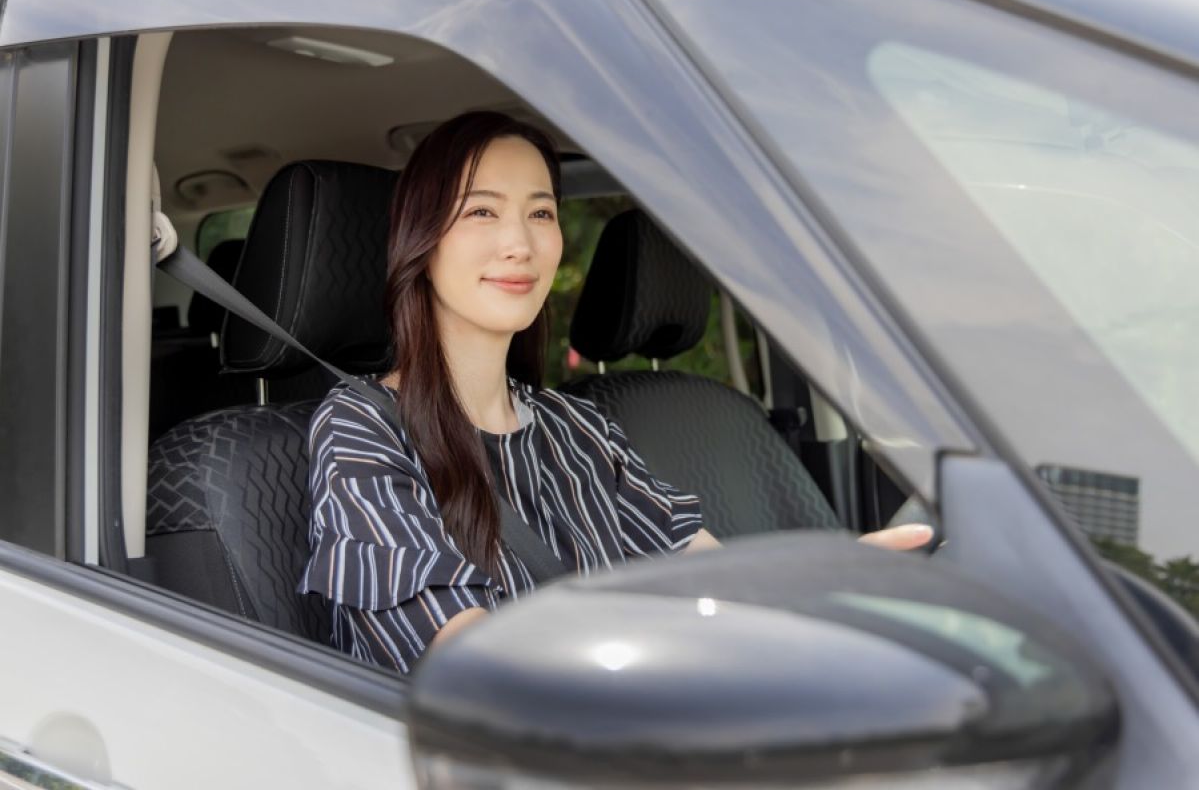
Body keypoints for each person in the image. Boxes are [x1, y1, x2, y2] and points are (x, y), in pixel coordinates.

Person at [297, 111, 931, 674]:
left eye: (540, 212)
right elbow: (475, 663)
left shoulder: (577, 427)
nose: (519, 244)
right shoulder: (362, 427)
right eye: (482, 210)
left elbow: (712, 574)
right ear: (422, 240)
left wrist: (829, 577)